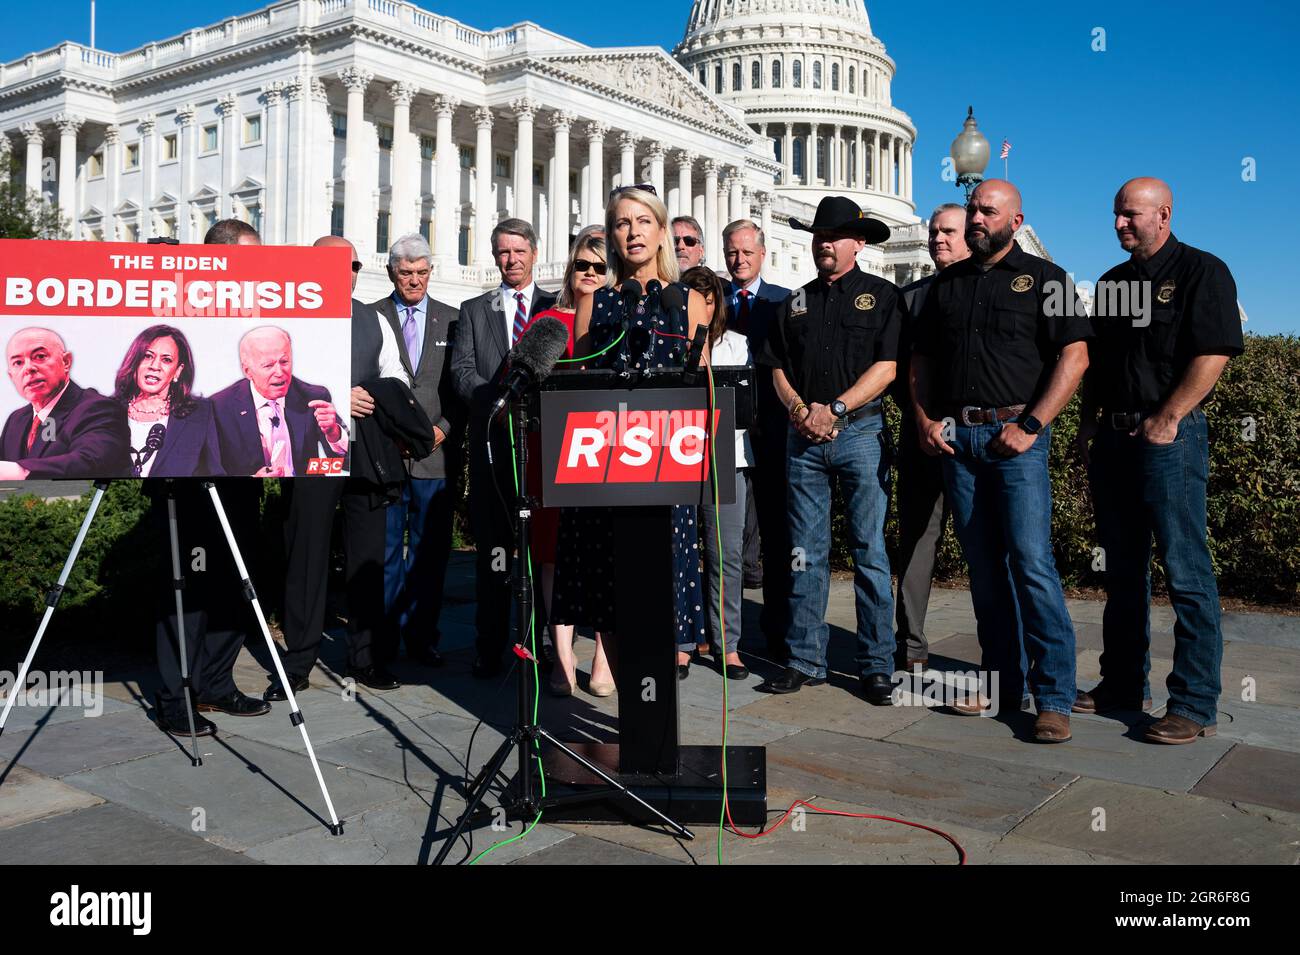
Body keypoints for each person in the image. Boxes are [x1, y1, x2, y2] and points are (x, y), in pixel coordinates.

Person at [910, 180, 1092, 743]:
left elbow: (1076, 354)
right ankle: (1003, 683)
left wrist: (1032, 426)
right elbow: (919, 359)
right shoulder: (945, 287)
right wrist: (922, 418)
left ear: (1016, 222)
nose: (975, 218)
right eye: (972, 209)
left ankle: (1055, 695)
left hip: (1016, 443)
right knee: (983, 572)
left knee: (1032, 565)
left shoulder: (1047, 280)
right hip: (959, 443)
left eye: (987, 210)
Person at [1076, 177, 1244, 745]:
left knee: (1186, 571)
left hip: (1171, 440)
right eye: (1116, 215)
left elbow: (1213, 353)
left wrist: (1169, 416)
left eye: (1131, 215)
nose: (1120, 224)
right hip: (1115, 443)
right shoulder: (1111, 283)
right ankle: (1122, 685)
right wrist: (1089, 423)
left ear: (1164, 214)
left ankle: (1193, 704)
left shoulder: (1203, 272)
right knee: (1122, 572)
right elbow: (1097, 365)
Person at [757, 196, 902, 707]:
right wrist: (800, 410)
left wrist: (834, 409)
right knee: (804, 552)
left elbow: (888, 368)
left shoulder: (883, 297)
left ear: (858, 243)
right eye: (819, 234)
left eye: (836, 234)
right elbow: (775, 366)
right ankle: (804, 658)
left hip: (859, 435)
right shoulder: (793, 304)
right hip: (804, 439)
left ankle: (877, 665)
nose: (824, 242)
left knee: (870, 552)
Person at [270, 235, 415, 701]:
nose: (346, 272)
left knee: (368, 560)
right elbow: (273, 382)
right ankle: (297, 664)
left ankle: (365, 658)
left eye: (352, 264)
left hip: (366, 455)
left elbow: (398, 375)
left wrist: (374, 392)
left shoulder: (374, 318)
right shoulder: (290, 318)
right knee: (306, 559)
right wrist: (335, 391)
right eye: (335, 264)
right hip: (308, 455)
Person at [574, 185, 711, 681]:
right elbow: (581, 388)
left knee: (665, 567)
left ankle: (665, 657)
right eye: (621, 223)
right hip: (610, 460)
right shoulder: (596, 302)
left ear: (660, 231)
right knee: (611, 565)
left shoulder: (691, 302)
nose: (632, 232)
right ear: (611, 235)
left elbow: (704, 387)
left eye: (643, 221)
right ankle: (608, 654)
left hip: (669, 461)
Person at [150, 218, 270, 737]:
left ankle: (217, 682)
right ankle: (176, 693)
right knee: (185, 583)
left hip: (241, 470)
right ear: (221, 253)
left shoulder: (258, 298)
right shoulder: (181, 291)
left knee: (235, 579)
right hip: (185, 472)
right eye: (251, 255)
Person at [451, 218, 557, 678]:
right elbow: (461, 372)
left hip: (541, 446)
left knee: (539, 553)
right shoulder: (474, 310)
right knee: (494, 552)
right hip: (494, 448)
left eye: (518, 251)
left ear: (534, 252)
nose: (510, 260)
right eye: (502, 253)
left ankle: (540, 644)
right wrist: (499, 401)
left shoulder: (556, 308)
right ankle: (490, 644)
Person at [371, 234, 461, 670]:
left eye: (422, 272)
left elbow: (461, 389)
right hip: (386, 454)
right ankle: (384, 643)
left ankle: (423, 637)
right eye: (406, 272)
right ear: (392, 272)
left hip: (436, 456)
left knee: (429, 555)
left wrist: (442, 430)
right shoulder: (373, 317)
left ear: (431, 271)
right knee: (387, 553)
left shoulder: (454, 319)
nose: (414, 280)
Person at [892, 204, 969, 670]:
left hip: (975, 434)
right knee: (916, 541)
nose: (939, 239)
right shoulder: (910, 298)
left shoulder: (987, 290)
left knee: (984, 541)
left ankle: (1002, 650)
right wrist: (921, 421)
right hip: (919, 431)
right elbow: (896, 370)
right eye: (935, 231)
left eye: (949, 232)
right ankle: (911, 646)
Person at [543, 225, 615, 696]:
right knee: (556, 558)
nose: (588, 273)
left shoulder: (620, 321)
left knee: (607, 557)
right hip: (557, 453)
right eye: (581, 265)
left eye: (598, 267)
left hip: (611, 454)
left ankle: (605, 659)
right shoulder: (548, 322)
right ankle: (563, 657)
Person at [720, 218, 792, 664]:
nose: (739, 259)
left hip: (772, 433)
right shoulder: (711, 304)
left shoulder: (784, 302)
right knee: (726, 543)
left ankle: (779, 630)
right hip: (725, 438)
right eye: (732, 252)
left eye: (747, 251)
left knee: (777, 536)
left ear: (762, 254)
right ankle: (727, 636)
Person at [683, 265, 750, 679]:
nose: (702, 307)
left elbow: (743, 409)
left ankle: (728, 643)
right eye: (693, 299)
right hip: (678, 456)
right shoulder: (668, 345)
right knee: (682, 554)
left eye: (708, 299)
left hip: (726, 456)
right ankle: (683, 642)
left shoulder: (738, 346)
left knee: (726, 554)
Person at [209, 326, 348, 477]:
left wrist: (334, 433)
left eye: (284, 361)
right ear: (247, 371)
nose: (280, 372)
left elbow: (346, 463)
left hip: (303, 492)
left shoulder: (313, 397)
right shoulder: (219, 407)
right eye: (268, 365)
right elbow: (211, 471)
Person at [0, 328, 131, 480]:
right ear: (11, 376)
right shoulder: (16, 420)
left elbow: (88, 462)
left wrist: (20, 472)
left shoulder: (99, 409)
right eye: (18, 362)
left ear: (66, 362)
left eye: (40, 356)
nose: (28, 368)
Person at [111, 325, 222, 477]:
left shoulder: (200, 414)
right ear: (135, 362)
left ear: (178, 371)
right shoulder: (106, 411)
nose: (155, 366)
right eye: (147, 356)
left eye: (166, 360)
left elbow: (215, 473)